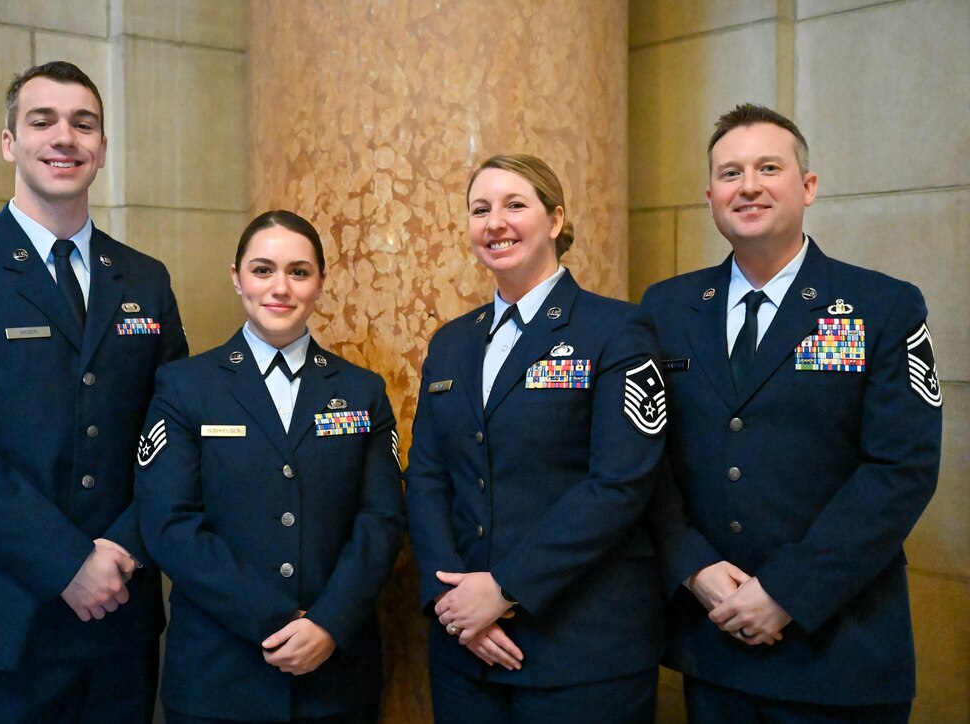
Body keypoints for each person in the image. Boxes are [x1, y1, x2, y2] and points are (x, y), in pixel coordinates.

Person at [0, 61, 188, 723]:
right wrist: (68, 561)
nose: (65, 137)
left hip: (121, 612)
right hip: (2, 623)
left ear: (103, 148)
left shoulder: (145, 280)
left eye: (83, 124)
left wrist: (121, 550)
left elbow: (171, 437)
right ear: (9, 141)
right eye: (42, 120)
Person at [642, 104, 942, 723]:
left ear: (807, 186)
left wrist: (786, 591)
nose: (747, 186)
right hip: (713, 641)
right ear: (710, 196)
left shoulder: (880, 306)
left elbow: (901, 469)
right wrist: (691, 566)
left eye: (768, 168)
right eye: (730, 173)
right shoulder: (667, 308)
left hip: (840, 651)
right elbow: (646, 460)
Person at [404, 154, 667, 723]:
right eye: (480, 210)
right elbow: (426, 475)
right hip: (466, 648)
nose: (495, 223)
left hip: (582, 647)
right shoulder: (452, 343)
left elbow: (619, 483)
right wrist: (452, 601)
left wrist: (505, 587)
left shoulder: (616, 329)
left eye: (514, 205)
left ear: (554, 220)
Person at [134, 210, 405, 723]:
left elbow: (382, 521)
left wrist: (327, 623)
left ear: (321, 283)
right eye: (263, 270)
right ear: (236, 276)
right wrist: (275, 620)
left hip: (335, 675)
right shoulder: (185, 388)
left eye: (299, 272)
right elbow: (171, 524)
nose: (280, 287)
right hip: (220, 675)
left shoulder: (360, 392)